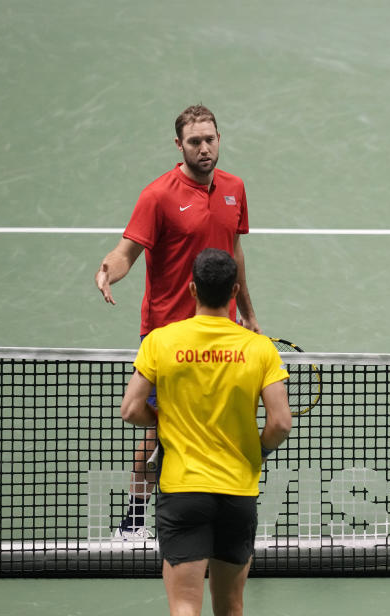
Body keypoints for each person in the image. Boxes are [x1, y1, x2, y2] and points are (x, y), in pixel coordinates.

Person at [95, 104, 261, 539]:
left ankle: (220, 513)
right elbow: (128, 250)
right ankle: (132, 523)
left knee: (220, 421)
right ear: (179, 145)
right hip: (167, 332)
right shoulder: (158, 195)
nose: (204, 148)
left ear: (219, 138)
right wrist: (108, 269)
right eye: (194, 141)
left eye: (210, 139)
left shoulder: (235, 188)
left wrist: (247, 312)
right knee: (157, 432)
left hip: (221, 329)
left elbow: (235, 254)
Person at [120, 248, 291, 616]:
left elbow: (131, 409)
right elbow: (280, 422)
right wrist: (257, 454)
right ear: (235, 292)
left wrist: (163, 419)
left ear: (192, 290)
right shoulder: (260, 349)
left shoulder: (161, 342)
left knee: (184, 606)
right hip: (237, 492)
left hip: (182, 492)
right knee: (230, 608)